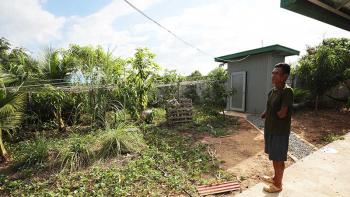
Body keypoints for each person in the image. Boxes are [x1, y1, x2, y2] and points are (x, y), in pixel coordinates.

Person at [260, 62, 294, 193]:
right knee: (275, 157)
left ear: (285, 76)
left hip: (280, 131)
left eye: (277, 73)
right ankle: (275, 178)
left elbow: (282, 114)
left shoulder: (287, 91)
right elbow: (269, 107)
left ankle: (278, 185)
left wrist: (271, 112)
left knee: (278, 159)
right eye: (273, 73)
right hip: (270, 129)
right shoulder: (272, 91)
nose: (273, 75)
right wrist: (265, 113)